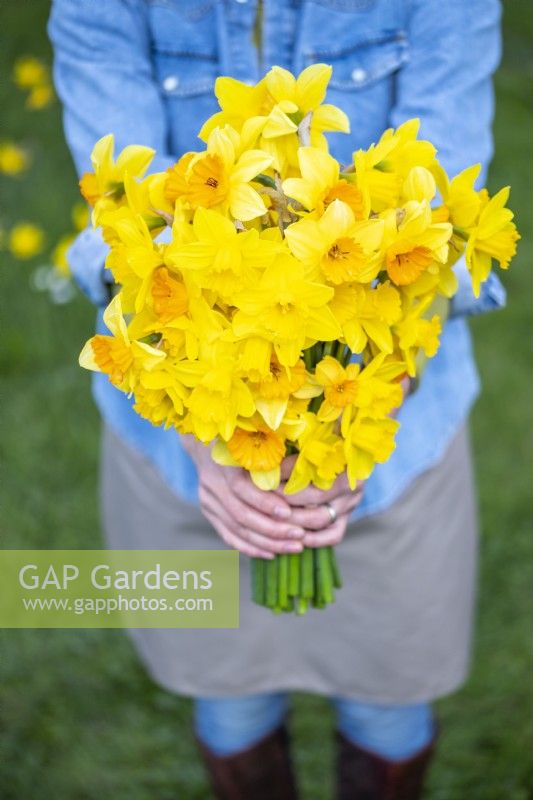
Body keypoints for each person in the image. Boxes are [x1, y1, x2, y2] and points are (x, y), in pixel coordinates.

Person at [48, 1, 505, 798]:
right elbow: (119, 227)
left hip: (391, 443)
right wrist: (211, 445)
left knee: (388, 703)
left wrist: (352, 415)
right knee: (230, 698)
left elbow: (436, 224)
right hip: (182, 445)